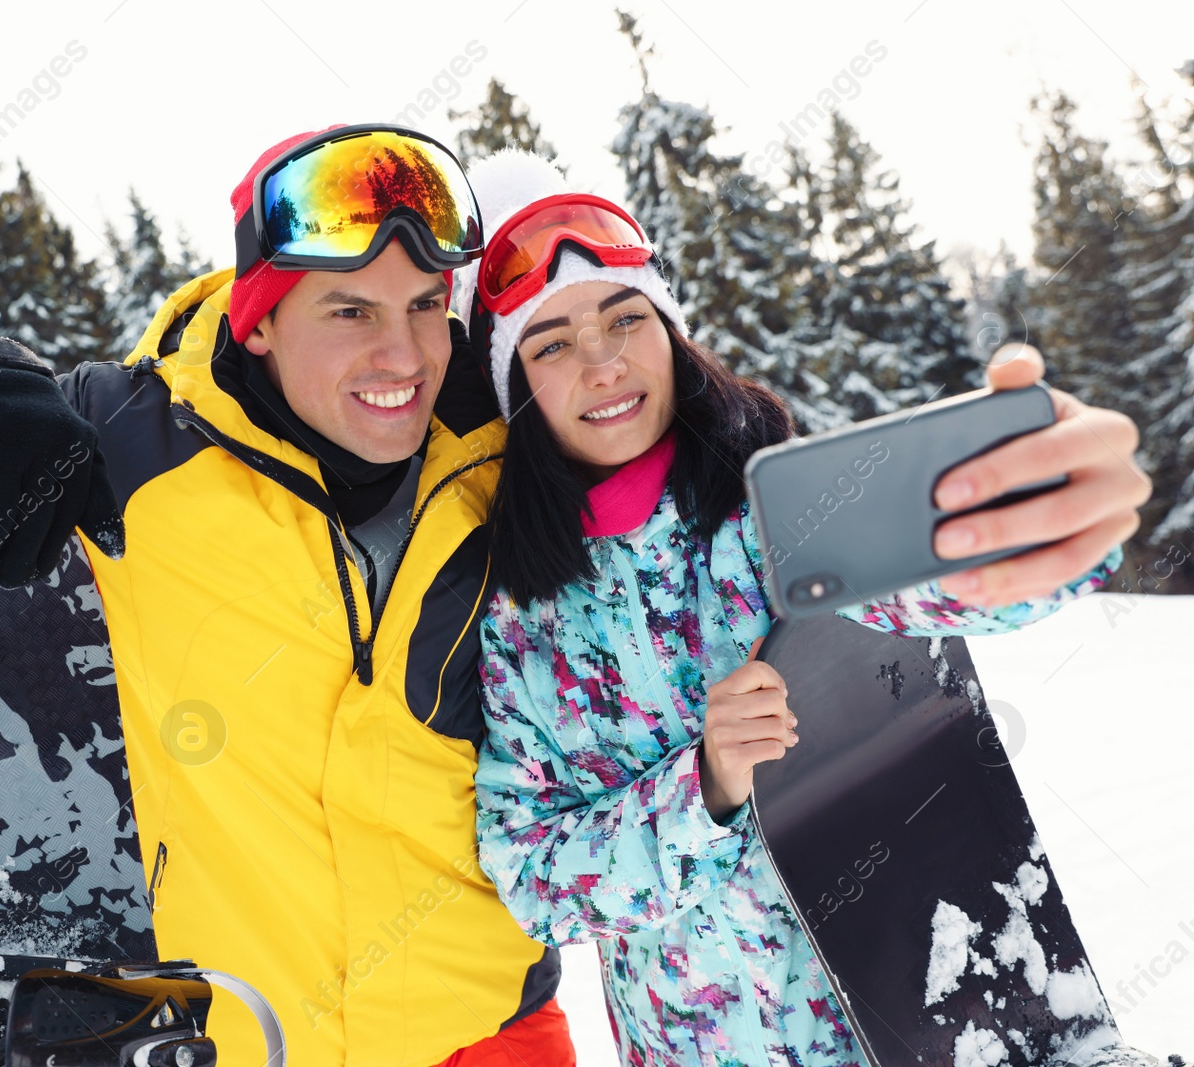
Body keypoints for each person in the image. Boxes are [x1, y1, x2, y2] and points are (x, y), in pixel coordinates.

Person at [0, 125, 573, 1067]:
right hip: (246, 1039)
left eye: (423, 304)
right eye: (349, 312)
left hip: (494, 1031)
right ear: (258, 318)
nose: (404, 355)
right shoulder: (124, 451)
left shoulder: (512, 446)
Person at [456, 150, 1150, 1066]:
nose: (602, 362)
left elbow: (933, 582)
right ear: (514, 390)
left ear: (670, 332)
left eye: (627, 318)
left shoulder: (781, 510)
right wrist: (704, 784)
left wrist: (1041, 525)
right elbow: (530, 876)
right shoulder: (519, 618)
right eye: (550, 344)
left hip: (942, 1016)